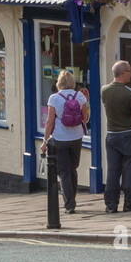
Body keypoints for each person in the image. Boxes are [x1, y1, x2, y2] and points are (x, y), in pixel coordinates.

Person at [101, 60, 131, 213]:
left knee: (113, 171)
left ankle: (111, 205)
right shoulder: (130, 94)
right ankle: (130, 203)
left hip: (112, 136)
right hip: (129, 135)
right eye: (130, 71)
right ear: (124, 73)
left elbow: (119, 98)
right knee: (130, 170)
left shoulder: (104, 90)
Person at [42, 70, 89, 214]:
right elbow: (85, 118)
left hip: (60, 138)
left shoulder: (54, 98)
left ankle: (69, 204)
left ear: (59, 83)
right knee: (73, 168)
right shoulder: (80, 96)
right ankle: (72, 198)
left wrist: (45, 141)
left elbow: (50, 122)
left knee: (64, 172)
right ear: (72, 83)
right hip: (77, 137)